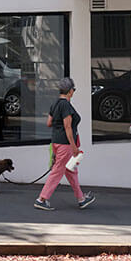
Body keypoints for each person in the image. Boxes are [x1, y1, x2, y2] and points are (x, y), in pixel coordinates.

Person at [34, 77, 95, 210]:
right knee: (57, 172)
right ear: (70, 91)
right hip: (65, 144)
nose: (74, 91)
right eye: (74, 89)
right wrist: (74, 147)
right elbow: (68, 127)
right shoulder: (65, 105)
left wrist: (58, 125)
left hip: (56, 141)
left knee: (71, 171)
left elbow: (49, 123)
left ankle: (81, 199)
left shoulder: (55, 104)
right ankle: (42, 199)